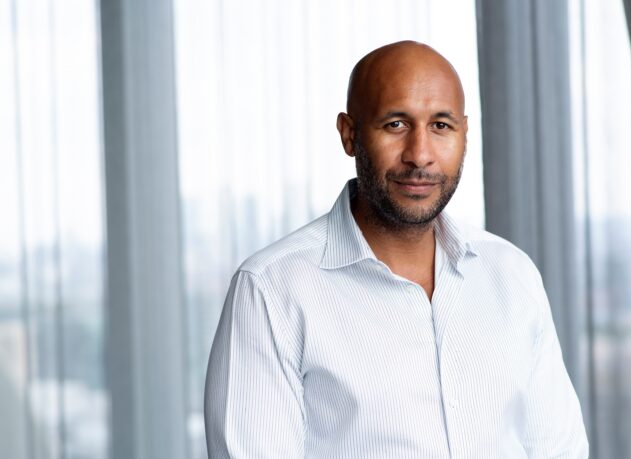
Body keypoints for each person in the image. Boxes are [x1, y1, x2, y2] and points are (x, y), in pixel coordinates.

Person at [204, 40, 588, 458]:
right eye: (396, 124)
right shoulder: (271, 291)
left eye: (441, 125)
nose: (419, 155)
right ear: (350, 135)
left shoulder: (512, 274)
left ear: (464, 133)